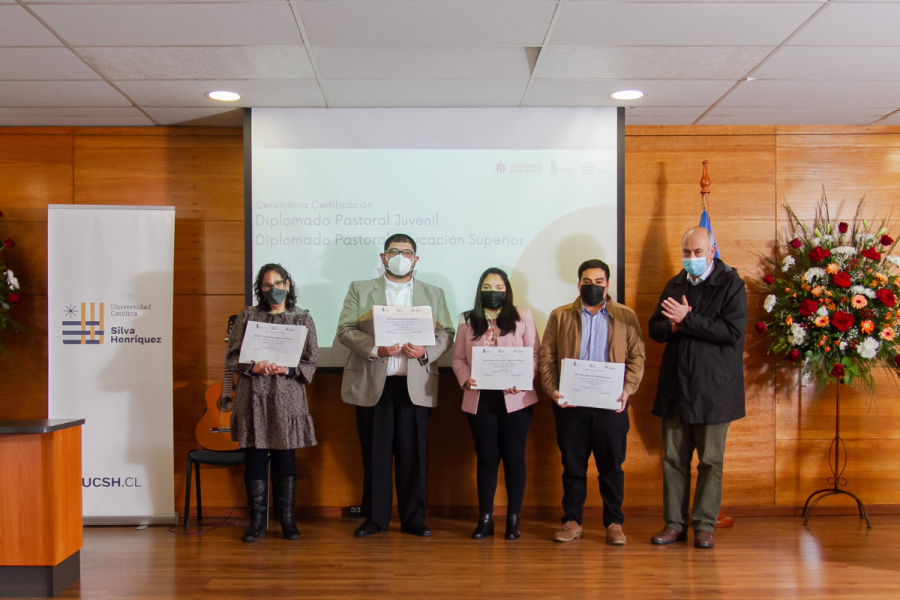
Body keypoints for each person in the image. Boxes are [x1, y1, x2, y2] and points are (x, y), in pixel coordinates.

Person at [338, 234, 454, 538]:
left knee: (413, 454)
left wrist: (426, 351)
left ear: (415, 259)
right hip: (374, 382)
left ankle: (413, 518)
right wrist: (377, 347)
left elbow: (446, 333)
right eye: (394, 251)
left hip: (415, 384)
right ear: (383, 257)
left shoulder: (434, 293)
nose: (400, 256)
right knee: (374, 454)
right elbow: (345, 330)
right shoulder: (360, 289)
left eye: (407, 252)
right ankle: (375, 518)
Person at [648, 226, 747, 550]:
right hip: (677, 386)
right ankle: (674, 524)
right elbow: (656, 328)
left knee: (710, 461)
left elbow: (731, 332)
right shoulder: (675, 284)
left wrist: (687, 320)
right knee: (673, 460)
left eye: (697, 252)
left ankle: (704, 525)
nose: (691, 258)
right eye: (686, 253)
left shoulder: (732, 284)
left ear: (712, 251)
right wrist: (675, 324)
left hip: (714, 390)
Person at [539, 259, 645, 545]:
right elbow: (546, 356)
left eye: (599, 282)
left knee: (611, 468)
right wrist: (551, 389)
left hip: (611, 405)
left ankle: (614, 524)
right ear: (578, 284)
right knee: (573, 467)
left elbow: (637, 356)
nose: (593, 286)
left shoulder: (625, 316)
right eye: (587, 282)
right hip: (570, 406)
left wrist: (628, 389)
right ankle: (572, 522)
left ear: (607, 285)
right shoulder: (560, 316)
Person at [225, 263, 319, 542]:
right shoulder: (248, 315)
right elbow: (230, 358)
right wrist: (253, 367)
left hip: (287, 395)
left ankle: (287, 520)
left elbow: (312, 360)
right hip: (252, 395)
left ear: (288, 285)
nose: (273, 290)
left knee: (285, 455)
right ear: (260, 288)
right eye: (267, 285)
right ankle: (257, 521)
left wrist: (288, 369)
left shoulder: (302, 318)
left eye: (278, 284)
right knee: (254, 454)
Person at [452, 268, 540, 540]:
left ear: (507, 289)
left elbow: (534, 353)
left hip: (516, 398)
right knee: (487, 459)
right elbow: (458, 359)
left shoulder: (522, 315)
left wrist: (524, 379)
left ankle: (513, 519)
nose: (493, 292)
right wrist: (466, 380)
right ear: (480, 290)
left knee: (514, 458)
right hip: (480, 400)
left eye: (498, 286)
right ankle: (486, 518)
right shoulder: (467, 319)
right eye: (487, 287)